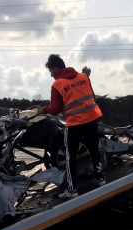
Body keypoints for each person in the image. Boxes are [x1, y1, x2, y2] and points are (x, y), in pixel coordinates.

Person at [42, 54, 105, 199]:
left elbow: (56, 109)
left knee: (70, 156)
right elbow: (92, 97)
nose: (51, 75)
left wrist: (44, 109)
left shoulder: (58, 84)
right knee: (94, 150)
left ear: (56, 68)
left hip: (75, 124)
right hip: (92, 119)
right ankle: (100, 178)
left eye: (51, 71)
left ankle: (72, 189)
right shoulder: (84, 77)